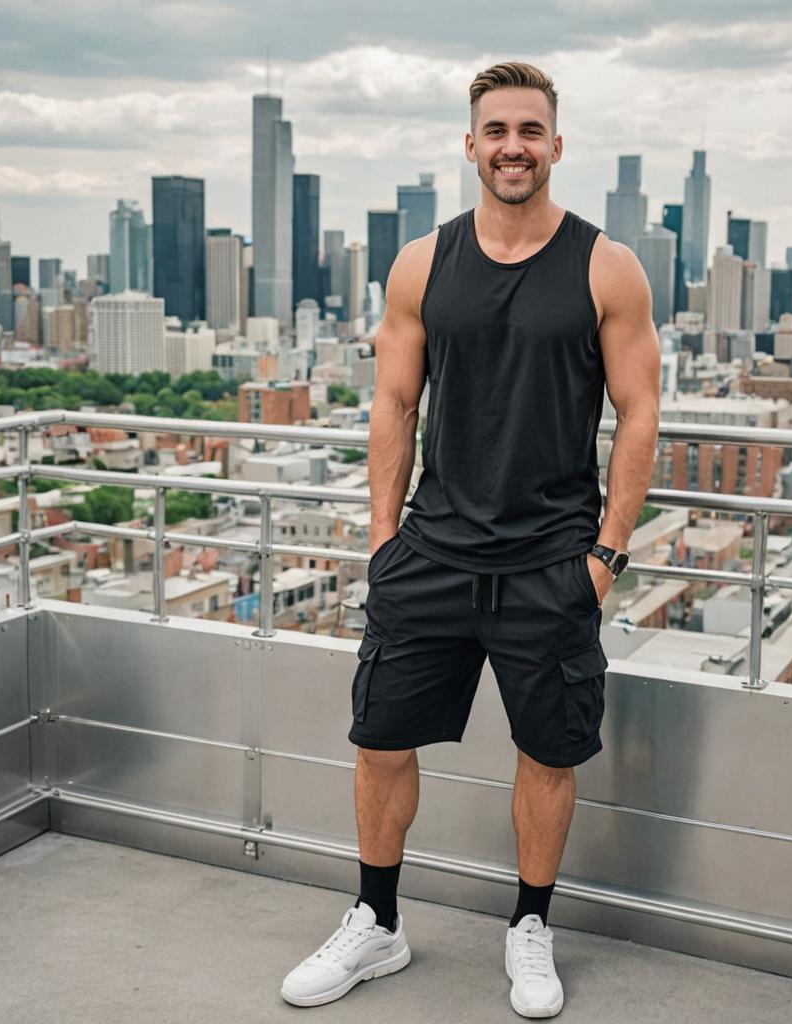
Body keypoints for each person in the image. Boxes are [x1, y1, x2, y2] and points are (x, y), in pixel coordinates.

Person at [281, 60, 659, 1017]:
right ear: (471, 145)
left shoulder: (605, 266)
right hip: (432, 556)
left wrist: (605, 556)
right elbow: (395, 401)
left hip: (550, 562)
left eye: (530, 131)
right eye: (497, 131)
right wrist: (382, 541)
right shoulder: (422, 262)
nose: (513, 147)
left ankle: (530, 927)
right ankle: (377, 923)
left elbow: (641, 412)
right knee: (380, 741)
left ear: (556, 146)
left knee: (548, 756)